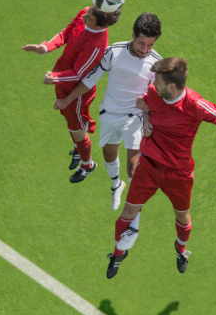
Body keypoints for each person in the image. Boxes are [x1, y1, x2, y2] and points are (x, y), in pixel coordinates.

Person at [106, 57, 216, 279]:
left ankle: (181, 251)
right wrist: (145, 117)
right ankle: (118, 253)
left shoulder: (195, 105)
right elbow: (145, 103)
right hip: (149, 166)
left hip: (179, 174)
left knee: (183, 217)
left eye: (157, 80)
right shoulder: (154, 92)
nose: (153, 83)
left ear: (171, 87)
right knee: (127, 213)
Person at [54, 13, 162, 210]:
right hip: (111, 112)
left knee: (133, 165)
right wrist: (68, 99)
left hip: (135, 116)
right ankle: (116, 185)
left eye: (150, 45)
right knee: (109, 154)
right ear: (133, 35)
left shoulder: (156, 64)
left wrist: (146, 112)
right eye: (141, 43)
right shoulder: (114, 52)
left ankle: (132, 217)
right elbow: (90, 79)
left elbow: (156, 99)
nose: (145, 50)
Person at [22, 0, 124, 183]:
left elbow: (79, 74)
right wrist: (44, 48)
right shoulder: (86, 13)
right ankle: (79, 147)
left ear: (99, 23)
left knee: (76, 128)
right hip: (63, 79)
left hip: (76, 92)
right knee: (72, 123)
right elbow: (65, 33)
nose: (84, 15)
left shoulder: (97, 44)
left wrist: (56, 81)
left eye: (88, 17)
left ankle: (88, 165)